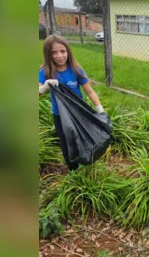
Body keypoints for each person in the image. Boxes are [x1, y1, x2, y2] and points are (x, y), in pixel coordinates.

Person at [38, 35, 104, 174]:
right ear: (48, 54)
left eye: (63, 51)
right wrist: (44, 87)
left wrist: (100, 109)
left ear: (68, 51)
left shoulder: (76, 69)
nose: (59, 56)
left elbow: (90, 92)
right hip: (60, 116)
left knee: (83, 138)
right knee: (67, 143)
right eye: (54, 52)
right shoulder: (45, 72)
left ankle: (86, 163)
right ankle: (72, 170)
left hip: (79, 113)